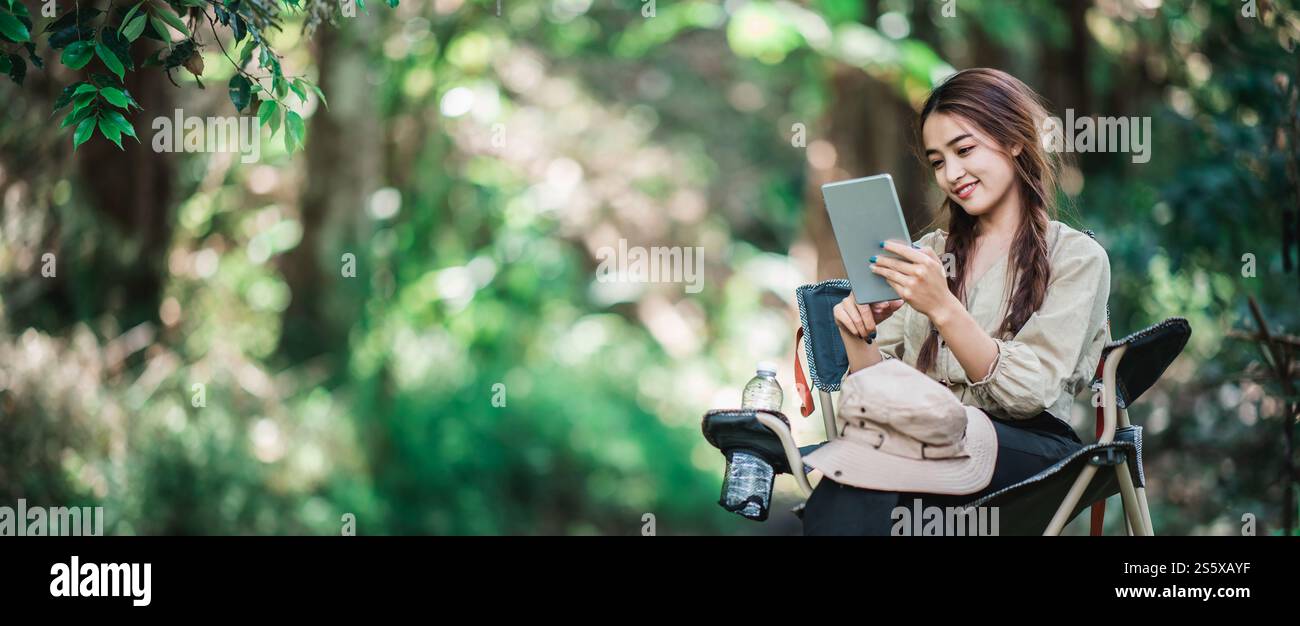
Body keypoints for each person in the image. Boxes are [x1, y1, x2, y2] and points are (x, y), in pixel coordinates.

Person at [801, 68, 1111, 536]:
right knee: (852, 479)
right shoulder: (928, 254)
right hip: (924, 439)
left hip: (1028, 448)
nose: (952, 174)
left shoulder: (1077, 257)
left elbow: (1029, 395)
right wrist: (857, 333)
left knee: (874, 474)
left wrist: (942, 307)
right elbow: (883, 396)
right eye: (938, 161)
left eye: (964, 150)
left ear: (1014, 141)